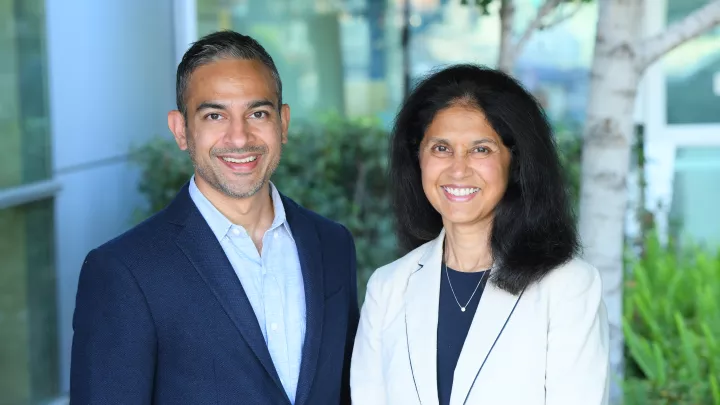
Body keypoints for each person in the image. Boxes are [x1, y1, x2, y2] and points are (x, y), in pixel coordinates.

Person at [70, 30, 359, 405]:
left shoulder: (332, 244)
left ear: (283, 124)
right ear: (181, 130)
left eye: (258, 113)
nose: (239, 138)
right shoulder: (124, 271)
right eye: (214, 115)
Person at [350, 64, 609, 405]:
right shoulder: (388, 288)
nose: (458, 169)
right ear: (418, 158)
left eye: (480, 149)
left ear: (515, 162)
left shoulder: (568, 287)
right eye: (441, 148)